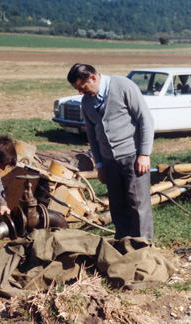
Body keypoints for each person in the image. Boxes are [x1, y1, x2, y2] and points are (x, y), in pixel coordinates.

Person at [67, 63, 155, 241]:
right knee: (117, 206)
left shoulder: (123, 86)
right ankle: (122, 245)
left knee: (138, 205)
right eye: (77, 89)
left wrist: (144, 154)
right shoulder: (86, 101)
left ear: (92, 77)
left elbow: (146, 119)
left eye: (82, 87)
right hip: (109, 162)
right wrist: (99, 164)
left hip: (133, 156)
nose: (81, 93)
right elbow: (92, 135)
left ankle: (143, 248)